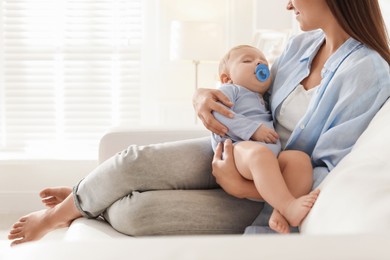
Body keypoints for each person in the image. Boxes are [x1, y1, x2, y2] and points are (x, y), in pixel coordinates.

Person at [8, 0, 390, 246]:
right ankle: (64, 210)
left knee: (136, 215)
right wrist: (202, 95)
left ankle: (89, 195)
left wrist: (241, 188)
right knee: (134, 160)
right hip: (239, 151)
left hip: (272, 190)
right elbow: (254, 95)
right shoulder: (300, 45)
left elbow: (325, 170)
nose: (287, 4)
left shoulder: (367, 71)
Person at [211, 44, 319, 233]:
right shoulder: (231, 91)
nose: (259, 62)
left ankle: (280, 210)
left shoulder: (263, 98)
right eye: (247, 60)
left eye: (263, 60)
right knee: (258, 154)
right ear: (227, 78)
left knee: (298, 159)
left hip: (268, 162)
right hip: (238, 151)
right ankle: (289, 206)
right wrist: (253, 130)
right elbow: (217, 113)